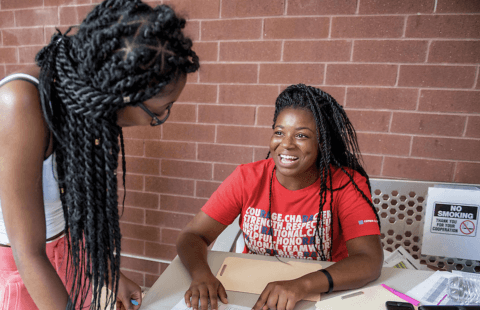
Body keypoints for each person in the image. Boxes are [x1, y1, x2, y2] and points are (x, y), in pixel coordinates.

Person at [0, 0, 199, 309]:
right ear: (124, 95)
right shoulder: (20, 104)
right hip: (19, 267)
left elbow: (79, 201)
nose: (159, 120)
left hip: (65, 254)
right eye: (160, 112)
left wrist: (105, 272)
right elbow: (27, 252)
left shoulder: (87, 107)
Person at [176, 84, 383, 310]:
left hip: (323, 294)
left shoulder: (345, 184)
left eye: (302, 135)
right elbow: (193, 235)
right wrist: (201, 275)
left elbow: (369, 260)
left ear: (322, 143)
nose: (286, 144)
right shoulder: (247, 177)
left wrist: (302, 286)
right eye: (279, 132)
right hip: (252, 291)